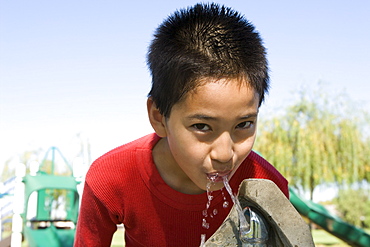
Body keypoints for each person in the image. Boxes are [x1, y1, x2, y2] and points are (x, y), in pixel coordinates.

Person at [74, 3, 289, 247]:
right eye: (202, 127)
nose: (224, 154)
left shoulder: (266, 188)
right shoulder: (111, 178)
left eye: (244, 124)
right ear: (158, 116)